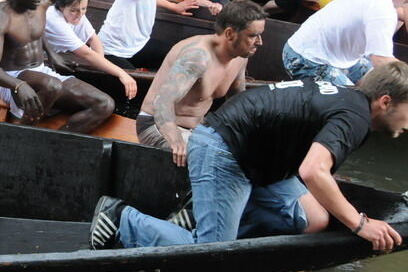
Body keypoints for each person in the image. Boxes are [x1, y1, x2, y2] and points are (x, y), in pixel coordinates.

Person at [90, 62, 408, 252]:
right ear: (385, 101)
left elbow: (310, 162)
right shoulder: (356, 117)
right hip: (225, 150)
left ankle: (205, 212)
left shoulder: (349, 98)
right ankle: (122, 219)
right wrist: (360, 224)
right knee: (212, 253)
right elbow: (313, 170)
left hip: (261, 159)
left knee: (315, 219)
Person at [0, 0, 114, 133]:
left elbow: (38, 30)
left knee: (105, 104)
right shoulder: (1, 17)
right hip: (12, 79)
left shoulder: (42, 1)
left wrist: (51, 53)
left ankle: (57, 140)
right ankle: (21, 131)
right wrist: (18, 85)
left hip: (44, 74)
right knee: (51, 85)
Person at [136, 0, 266, 160]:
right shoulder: (197, 57)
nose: (260, 42)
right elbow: (162, 102)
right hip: (157, 125)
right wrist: (176, 141)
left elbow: (237, 101)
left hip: (197, 129)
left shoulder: (240, 56)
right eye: (253, 36)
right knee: (210, 159)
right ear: (230, 33)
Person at [283, 0, 408, 87]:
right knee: (353, 101)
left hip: (336, 56)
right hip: (307, 59)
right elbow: (381, 60)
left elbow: (402, 12)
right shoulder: (382, 11)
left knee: (376, 88)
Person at [42, 0, 138, 101]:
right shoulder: (54, 20)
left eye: (84, 9)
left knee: (117, 68)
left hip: (68, 55)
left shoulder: (77, 12)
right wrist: (121, 74)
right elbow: (86, 53)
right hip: (49, 63)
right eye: (74, 10)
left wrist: (101, 67)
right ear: (61, 7)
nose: (80, 14)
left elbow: (93, 39)